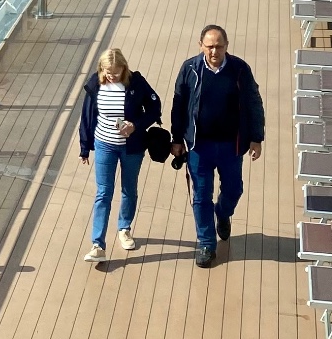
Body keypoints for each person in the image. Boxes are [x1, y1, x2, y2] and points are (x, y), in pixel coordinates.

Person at [169, 24, 264, 267]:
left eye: (218, 46)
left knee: (234, 190)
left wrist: (256, 137)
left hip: (231, 146)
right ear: (200, 45)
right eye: (209, 46)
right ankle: (206, 243)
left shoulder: (240, 69)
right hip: (199, 147)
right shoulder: (190, 68)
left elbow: (254, 102)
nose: (214, 51)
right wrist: (177, 139)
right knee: (201, 197)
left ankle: (222, 213)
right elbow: (179, 104)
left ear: (226, 46)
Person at [75, 46, 162, 262]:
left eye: (116, 71)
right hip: (105, 144)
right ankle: (97, 244)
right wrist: (84, 147)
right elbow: (87, 116)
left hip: (132, 147)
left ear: (124, 68)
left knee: (128, 188)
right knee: (103, 192)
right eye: (107, 71)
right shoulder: (96, 83)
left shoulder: (136, 83)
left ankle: (124, 228)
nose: (111, 75)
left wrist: (136, 125)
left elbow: (154, 107)